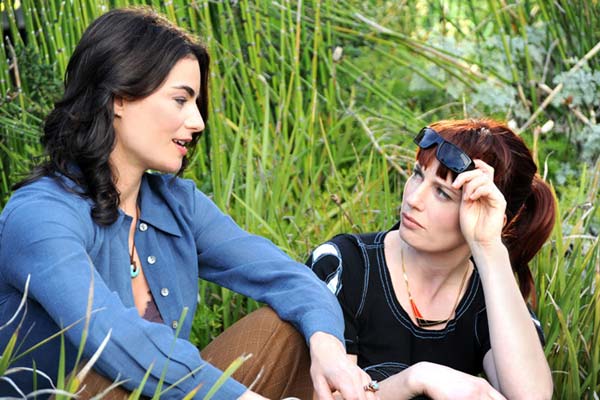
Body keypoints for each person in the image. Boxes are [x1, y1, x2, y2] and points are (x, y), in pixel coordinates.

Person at [0, 7, 375, 400]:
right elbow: (111, 337)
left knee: (288, 329)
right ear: (119, 97)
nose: (198, 122)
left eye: (196, 103)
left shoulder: (176, 204)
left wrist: (329, 347)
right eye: (180, 100)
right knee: (97, 376)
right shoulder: (40, 216)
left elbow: (290, 278)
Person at [306, 120, 556, 400]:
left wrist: (489, 247)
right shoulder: (344, 265)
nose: (414, 198)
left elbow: (532, 396)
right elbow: (326, 396)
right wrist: (418, 379)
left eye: (442, 193)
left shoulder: (494, 298)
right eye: (417, 174)